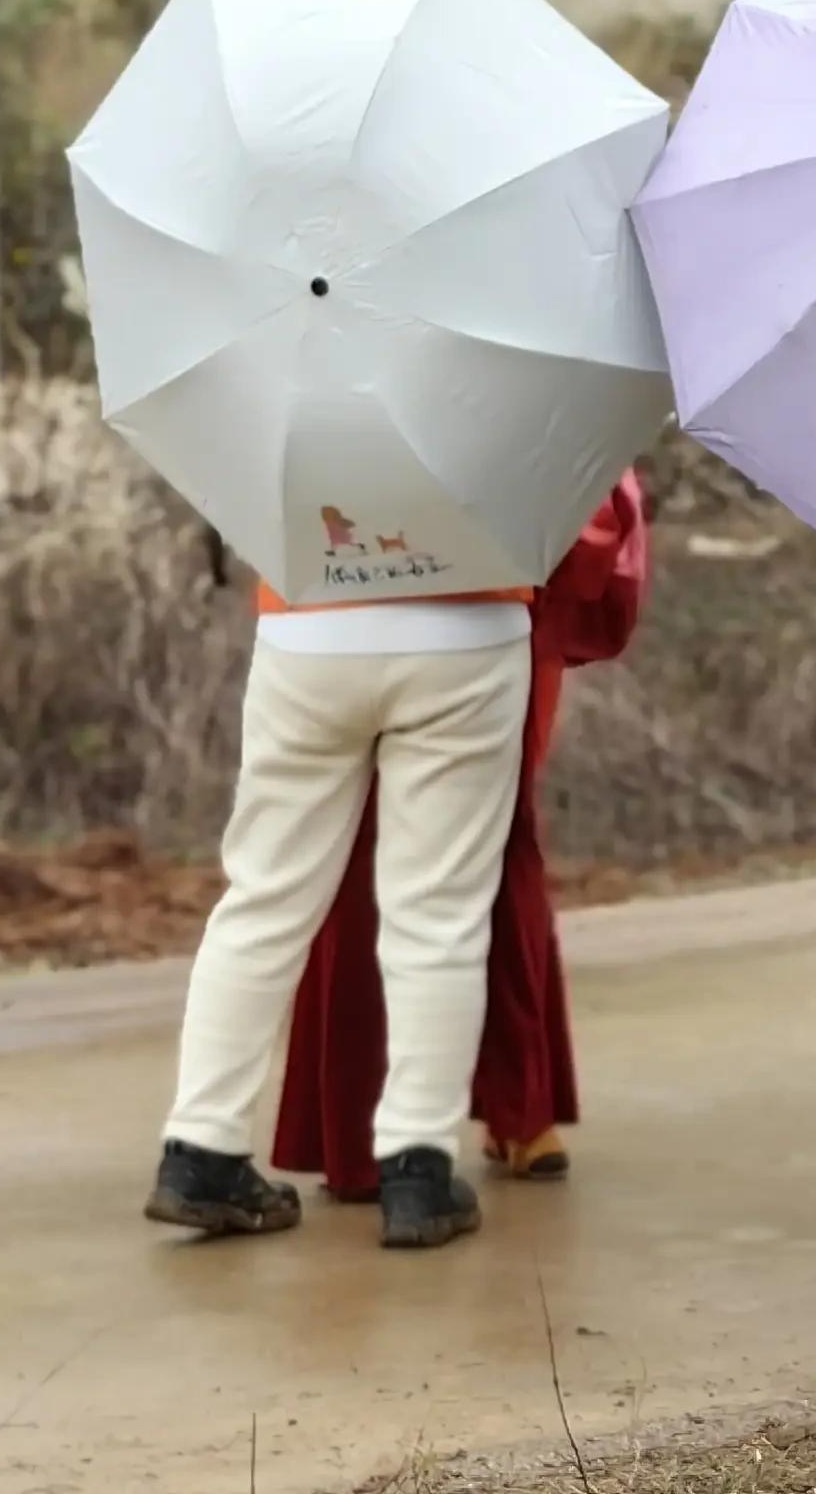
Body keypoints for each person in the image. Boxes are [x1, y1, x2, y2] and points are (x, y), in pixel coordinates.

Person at [144, 521, 542, 1252]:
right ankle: (418, 1172)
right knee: (439, 913)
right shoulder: (505, 397)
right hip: (469, 627)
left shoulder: (286, 397)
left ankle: (201, 1149)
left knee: (262, 899)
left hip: (311, 625)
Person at [275, 469, 650, 1197]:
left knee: (365, 850)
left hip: (360, 602)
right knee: (495, 840)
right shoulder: (536, 359)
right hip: (500, 599)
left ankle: (361, 1135)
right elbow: (592, 482)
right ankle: (521, 1110)